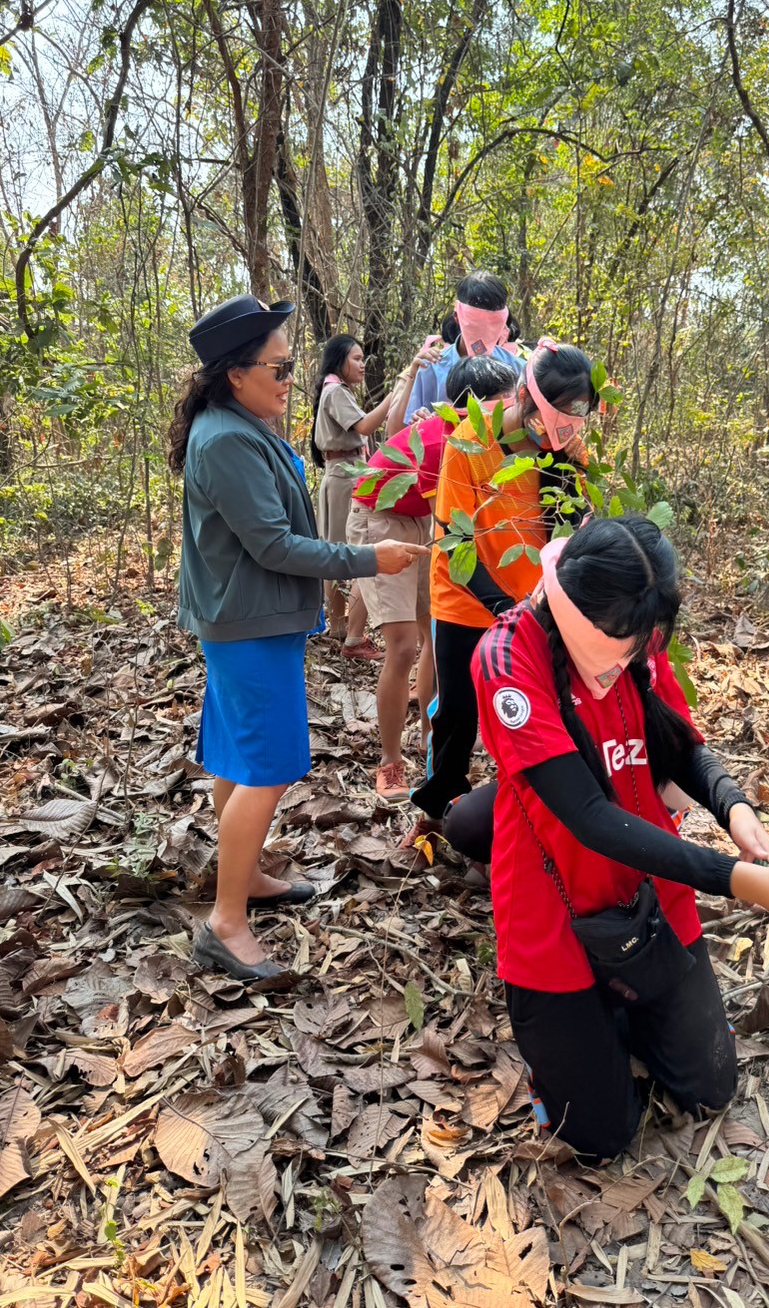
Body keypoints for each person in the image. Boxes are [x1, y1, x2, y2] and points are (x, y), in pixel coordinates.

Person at [468, 514, 769, 1161]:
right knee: (599, 1136)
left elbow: (678, 742)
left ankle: (618, 1015)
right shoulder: (507, 658)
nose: (637, 653)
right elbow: (587, 815)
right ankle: (580, 1033)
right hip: (554, 909)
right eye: (625, 641)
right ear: (582, 616)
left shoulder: (634, 637)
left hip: (651, 894)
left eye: (646, 640)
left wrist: (732, 806)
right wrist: (736, 880)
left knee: (709, 1087)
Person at [169, 295, 428, 982]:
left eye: (291, 367)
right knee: (270, 765)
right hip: (248, 623)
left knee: (238, 757)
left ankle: (246, 875)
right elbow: (275, 545)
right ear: (235, 373)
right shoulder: (226, 440)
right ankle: (226, 923)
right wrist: (370, 559)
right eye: (278, 369)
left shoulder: (238, 426)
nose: (290, 381)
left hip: (246, 617)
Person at [408, 337, 597, 845]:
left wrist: (575, 481)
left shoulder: (566, 451)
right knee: (457, 714)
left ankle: (517, 816)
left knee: (527, 710)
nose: (552, 436)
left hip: (532, 601)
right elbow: (456, 540)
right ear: (525, 397)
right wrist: (507, 610)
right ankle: (435, 810)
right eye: (549, 421)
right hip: (466, 599)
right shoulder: (469, 442)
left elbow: (570, 530)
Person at [348, 355, 518, 801]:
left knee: (434, 636)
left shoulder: (486, 441)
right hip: (379, 516)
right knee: (403, 644)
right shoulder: (453, 441)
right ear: (475, 407)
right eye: (504, 403)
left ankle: (433, 740)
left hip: (422, 520)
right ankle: (390, 762)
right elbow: (455, 526)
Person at [310, 334, 435, 658]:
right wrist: (397, 390)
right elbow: (365, 427)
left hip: (348, 471)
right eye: (356, 358)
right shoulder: (335, 391)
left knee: (349, 552)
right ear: (338, 360)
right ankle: (344, 632)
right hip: (345, 476)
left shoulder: (338, 390)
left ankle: (345, 630)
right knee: (348, 553)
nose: (362, 365)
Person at [402, 272, 525, 425]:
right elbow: (407, 429)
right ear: (457, 317)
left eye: (493, 323)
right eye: (477, 323)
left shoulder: (519, 370)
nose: (485, 330)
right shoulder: (432, 367)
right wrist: (421, 421)